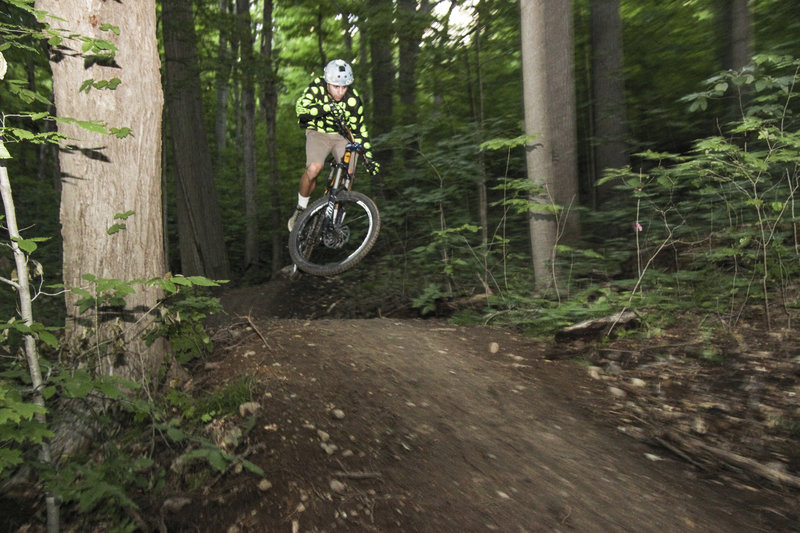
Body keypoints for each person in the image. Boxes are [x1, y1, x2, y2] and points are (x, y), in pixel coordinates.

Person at [289, 59, 379, 231]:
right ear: (327, 83)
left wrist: (369, 157)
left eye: (344, 87)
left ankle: (336, 217)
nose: (340, 91)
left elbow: (360, 131)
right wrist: (325, 108)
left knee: (350, 172)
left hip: (342, 136)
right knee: (314, 168)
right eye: (336, 86)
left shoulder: (353, 100)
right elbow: (301, 111)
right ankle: (300, 208)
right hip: (318, 132)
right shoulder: (317, 87)